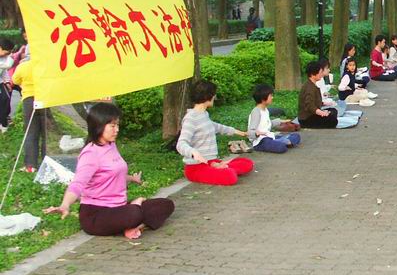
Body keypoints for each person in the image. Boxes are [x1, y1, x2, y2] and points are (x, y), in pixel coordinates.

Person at [45, 103, 174, 238]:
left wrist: (132, 178)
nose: (116, 130)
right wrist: (65, 204)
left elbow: (114, 174)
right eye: (112, 126)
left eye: (117, 125)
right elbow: (78, 183)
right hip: (96, 215)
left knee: (165, 204)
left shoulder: (111, 145)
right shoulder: (90, 153)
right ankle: (134, 214)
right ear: (99, 126)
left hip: (119, 208)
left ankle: (136, 225)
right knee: (134, 213)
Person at [176, 81, 254, 186]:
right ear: (207, 96)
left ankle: (220, 167)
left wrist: (238, 132)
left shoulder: (204, 114)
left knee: (246, 163)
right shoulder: (190, 118)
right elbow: (181, 144)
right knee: (230, 176)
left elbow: (216, 126)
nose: (214, 97)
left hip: (211, 162)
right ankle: (223, 168)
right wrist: (193, 152)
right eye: (213, 94)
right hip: (196, 168)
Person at [299, 61, 359, 129]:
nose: (321, 74)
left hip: (313, 114)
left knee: (333, 111)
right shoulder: (309, 87)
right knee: (333, 120)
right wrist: (322, 113)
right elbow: (309, 106)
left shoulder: (312, 84)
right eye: (320, 72)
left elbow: (315, 101)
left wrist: (323, 107)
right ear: (313, 74)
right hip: (307, 119)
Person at [11, 58, 44, 173]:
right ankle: (46, 162)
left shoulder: (23, 66)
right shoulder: (44, 65)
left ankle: (30, 166)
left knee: (31, 132)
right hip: (45, 99)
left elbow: (14, 80)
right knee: (46, 133)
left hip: (29, 100)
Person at [247, 84, 302, 153]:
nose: (272, 97)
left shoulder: (265, 110)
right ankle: (283, 142)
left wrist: (281, 121)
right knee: (281, 147)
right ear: (263, 98)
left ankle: (282, 142)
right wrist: (256, 133)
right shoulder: (256, 112)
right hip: (260, 141)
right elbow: (250, 132)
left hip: (269, 137)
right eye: (270, 96)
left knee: (296, 136)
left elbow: (268, 124)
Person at [0, 39, 14, 132]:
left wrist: (7, 82)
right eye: (6, 52)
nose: (7, 55)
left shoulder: (4, 57)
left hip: (1, 82)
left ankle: (4, 124)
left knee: (5, 99)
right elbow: (6, 65)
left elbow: (4, 71)